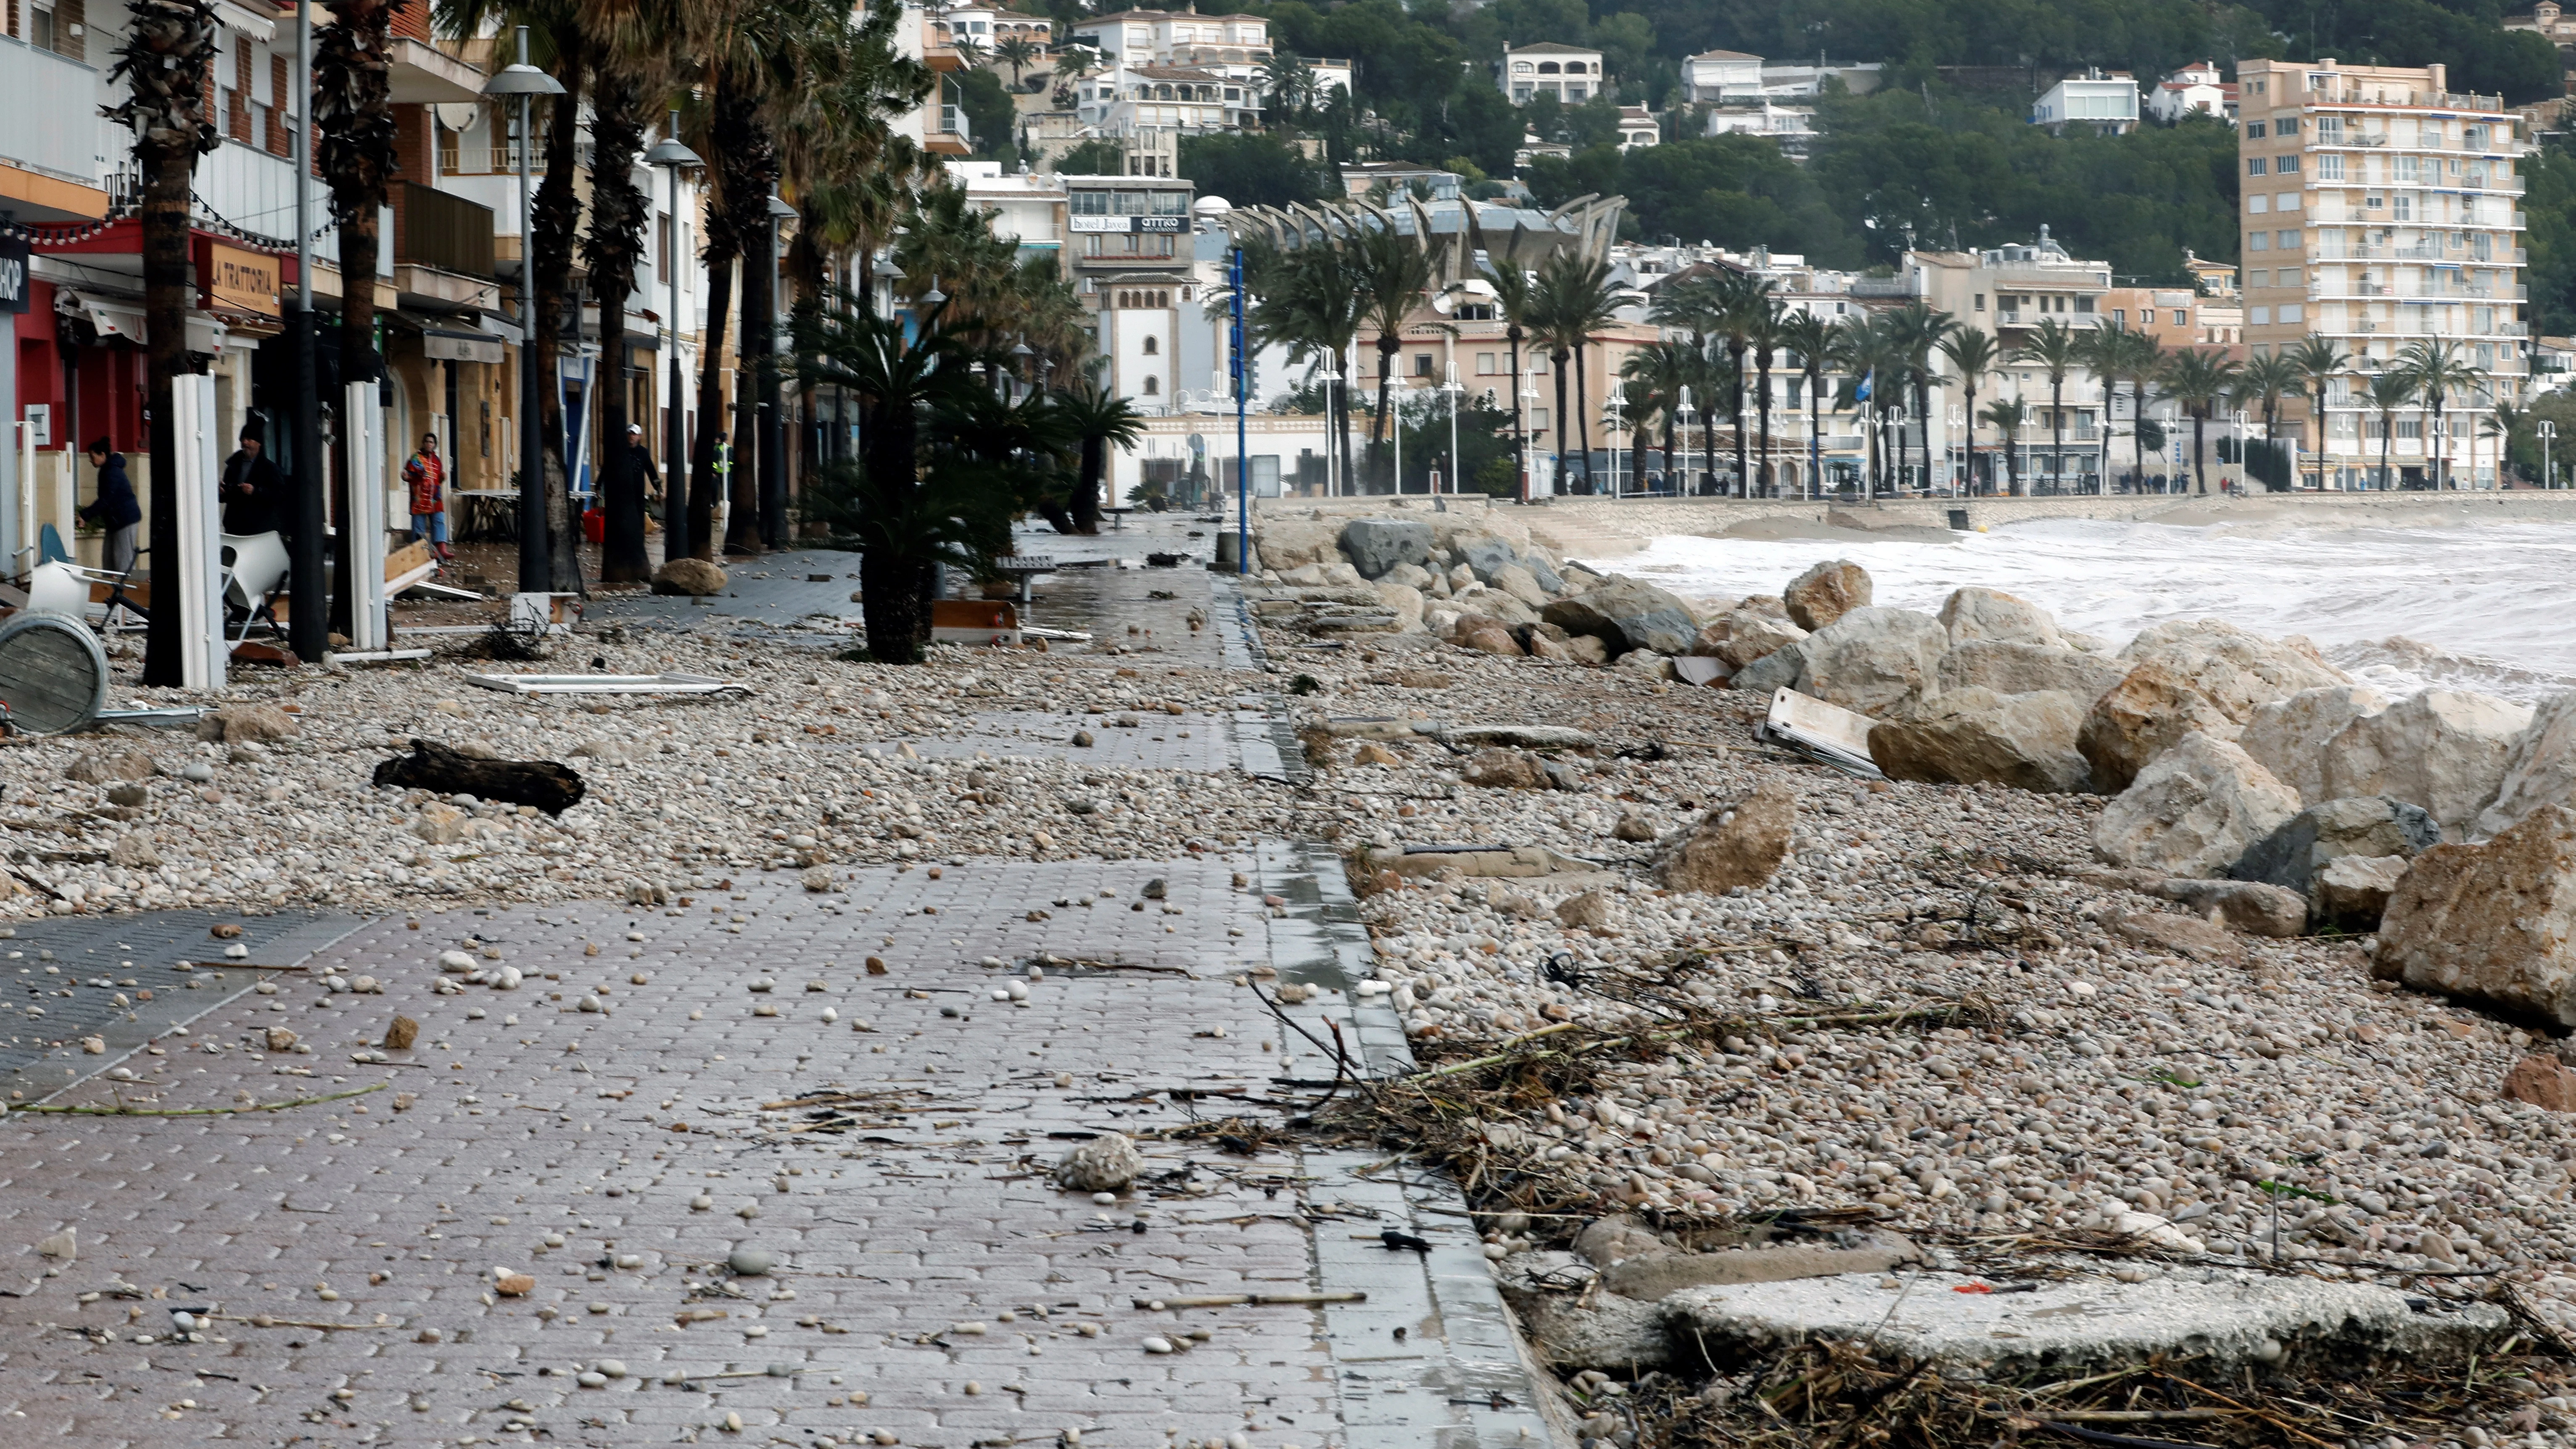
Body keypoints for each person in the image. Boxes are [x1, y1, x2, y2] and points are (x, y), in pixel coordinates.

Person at [77, 438, 141, 575]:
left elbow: (106, 499)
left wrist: (86, 515)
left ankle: (128, 591)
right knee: (109, 559)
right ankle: (110, 589)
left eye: (92, 457)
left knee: (124, 561)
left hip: (125, 520)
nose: (90, 460)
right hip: (115, 521)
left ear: (103, 455)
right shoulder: (107, 470)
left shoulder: (112, 472)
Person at [221, 425, 283, 535]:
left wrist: (255, 491)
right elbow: (225, 496)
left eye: (249, 440)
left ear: (259, 443)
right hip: (235, 527)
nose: (245, 443)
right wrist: (222, 492)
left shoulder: (270, 468)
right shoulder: (233, 465)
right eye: (243, 440)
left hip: (259, 530)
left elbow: (279, 495)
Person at [403, 431, 450, 562]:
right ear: (423, 443)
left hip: (435, 498)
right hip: (420, 498)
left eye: (432, 442)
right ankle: (419, 554)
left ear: (435, 445)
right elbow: (409, 475)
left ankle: (441, 549)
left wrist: (442, 478)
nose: (429, 444)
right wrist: (406, 477)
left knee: (439, 521)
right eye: (427, 442)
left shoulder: (436, 460)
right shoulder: (416, 458)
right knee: (419, 527)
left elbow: (437, 479)